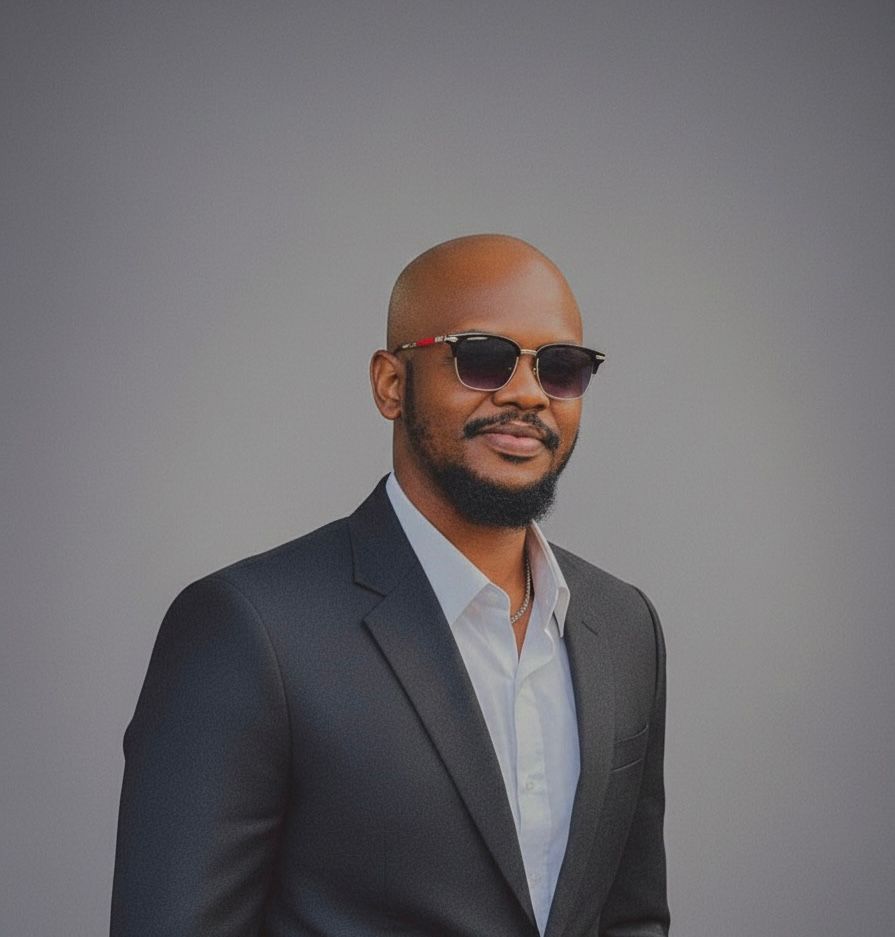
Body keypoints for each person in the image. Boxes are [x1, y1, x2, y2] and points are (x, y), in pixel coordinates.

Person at [110, 234, 669, 937]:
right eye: (482, 357)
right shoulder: (248, 629)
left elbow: (631, 917)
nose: (528, 392)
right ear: (391, 384)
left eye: (560, 368)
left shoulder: (622, 626)